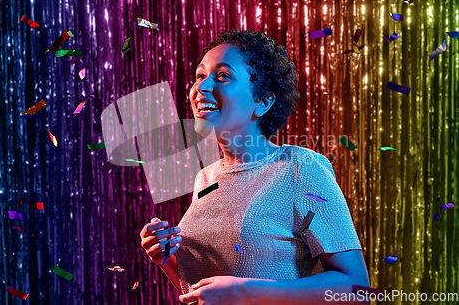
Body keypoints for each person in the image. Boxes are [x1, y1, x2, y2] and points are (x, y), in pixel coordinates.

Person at [140, 29, 370, 305]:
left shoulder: (300, 168)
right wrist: (166, 259)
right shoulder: (205, 178)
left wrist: (246, 291)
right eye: (201, 75)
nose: (201, 87)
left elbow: (357, 290)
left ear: (263, 101)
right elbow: (204, 295)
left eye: (223, 76)